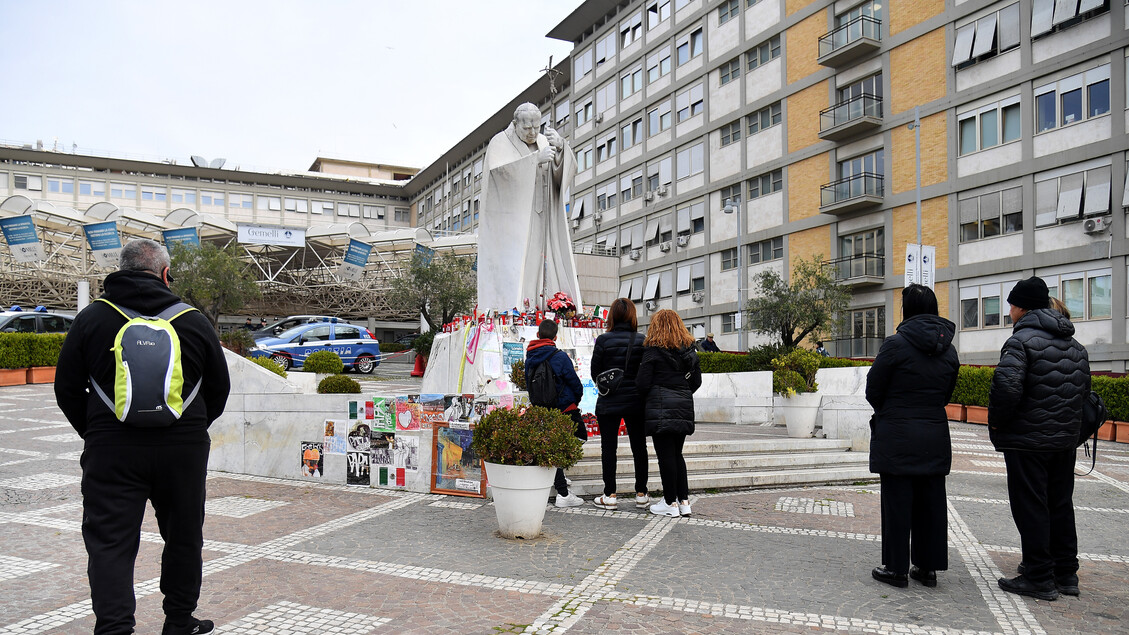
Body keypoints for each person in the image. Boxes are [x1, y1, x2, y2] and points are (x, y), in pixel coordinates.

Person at [54, 238, 230, 635]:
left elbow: (66, 388)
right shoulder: (193, 320)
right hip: (182, 450)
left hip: (111, 450)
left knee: (110, 542)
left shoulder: (92, 318)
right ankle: (179, 621)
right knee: (184, 536)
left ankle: (115, 628)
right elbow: (219, 389)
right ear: (165, 274)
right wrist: (190, 428)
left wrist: (97, 431)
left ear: (120, 271)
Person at [989, 276, 1089, 601]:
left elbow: (1006, 389)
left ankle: (1038, 576)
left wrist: (998, 427)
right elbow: (1083, 394)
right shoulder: (1076, 346)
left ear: (1021, 307)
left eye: (1011, 305)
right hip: (1064, 441)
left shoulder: (1020, 342)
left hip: (1027, 441)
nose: (1010, 312)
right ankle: (1066, 574)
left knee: (1031, 506)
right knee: (1060, 504)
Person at [865, 284, 960, 589]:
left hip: (898, 434)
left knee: (897, 502)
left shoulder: (895, 344)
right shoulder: (949, 349)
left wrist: (890, 412)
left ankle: (896, 568)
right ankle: (927, 568)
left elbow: (873, 388)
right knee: (931, 502)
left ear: (908, 310)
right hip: (934, 431)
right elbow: (946, 394)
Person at [478, 102, 582, 312]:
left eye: (537, 127)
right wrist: (534, 160)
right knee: (521, 266)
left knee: (543, 264)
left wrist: (561, 148)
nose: (533, 132)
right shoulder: (500, 143)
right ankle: (519, 308)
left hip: (543, 216)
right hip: (515, 223)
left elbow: (563, 175)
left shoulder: (544, 141)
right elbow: (498, 176)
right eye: (527, 128)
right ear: (515, 124)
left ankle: (543, 306)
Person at [636, 309, 702, 517]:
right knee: (677, 454)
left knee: (665, 456)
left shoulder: (652, 351)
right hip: (682, 406)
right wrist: (682, 391)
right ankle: (684, 501)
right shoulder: (689, 351)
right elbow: (696, 381)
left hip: (660, 407)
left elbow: (642, 383)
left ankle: (669, 503)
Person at [589, 298, 649, 510]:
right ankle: (641, 493)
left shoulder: (603, 341)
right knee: (639, 447)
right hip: (636, 400)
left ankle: (610, 494)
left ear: (611, 316)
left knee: (609, 448)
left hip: (609, 400)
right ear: (633, 316)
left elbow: (594, 372)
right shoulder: (642, 340)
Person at [524, 319, 586, 507]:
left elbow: (529, 385)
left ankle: (559, 475)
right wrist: (575, 399)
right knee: (577, 437)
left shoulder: (529, 358)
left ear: (537, 335)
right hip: (564, 408)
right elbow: (575, 383)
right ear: (555, 337)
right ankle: (563, 494)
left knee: (553, 445)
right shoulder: (559, 357)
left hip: (542, 410)